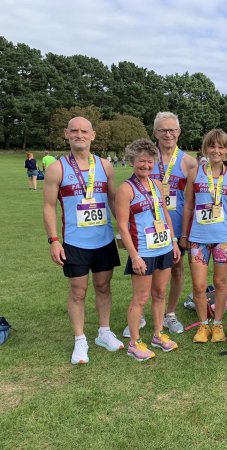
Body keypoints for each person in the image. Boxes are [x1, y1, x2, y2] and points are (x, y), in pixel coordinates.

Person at [43, 116, 123, 365]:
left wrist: (122, 229)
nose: (79, 134)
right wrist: (54, 240)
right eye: (74, 131)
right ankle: (80, 340)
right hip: (75, 242)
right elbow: (48, 206)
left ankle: (104, 332)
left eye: (84, 131)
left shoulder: (105, 166)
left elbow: (113, 200)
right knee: (78, 291)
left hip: (104, 240)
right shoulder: (57, 168)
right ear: (66, 134)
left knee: (103, 287)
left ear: (93, 135)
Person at [123, 112, 197, 337]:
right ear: (155, 132)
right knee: (144, 271)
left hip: (174, 228)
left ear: (179, 132)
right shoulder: (146, 158)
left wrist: (184, 233)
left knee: (176, 270)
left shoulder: (189, 162)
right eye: (163, 130)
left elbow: (192, 201)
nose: (168, 134)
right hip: (146, 229)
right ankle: (141, 314)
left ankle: (170, 313)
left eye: (172, 130)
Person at [116, 139, 181, 361]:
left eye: (150, 161)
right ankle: (134, 342)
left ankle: (157, 334)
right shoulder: (126, 189)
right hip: (143, 251)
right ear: (132, 161)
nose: (146, 165)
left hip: (163, 247)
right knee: (141, 298)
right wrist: (134, 255)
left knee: (160, 293)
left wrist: (173, 241)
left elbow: (164, 213)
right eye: (141, 161)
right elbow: (123, 226)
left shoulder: (155, 184)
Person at [180, 129, 227, 343]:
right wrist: (184, 234)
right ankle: (202, 325)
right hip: (198, 238)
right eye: (212, 146)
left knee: (220, 282)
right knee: (198, 285)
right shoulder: (194, 173)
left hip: (223, 238)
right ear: (205, 148)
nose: (216, 150)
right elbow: (188, 205)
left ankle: (217, 325)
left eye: (221, 146)